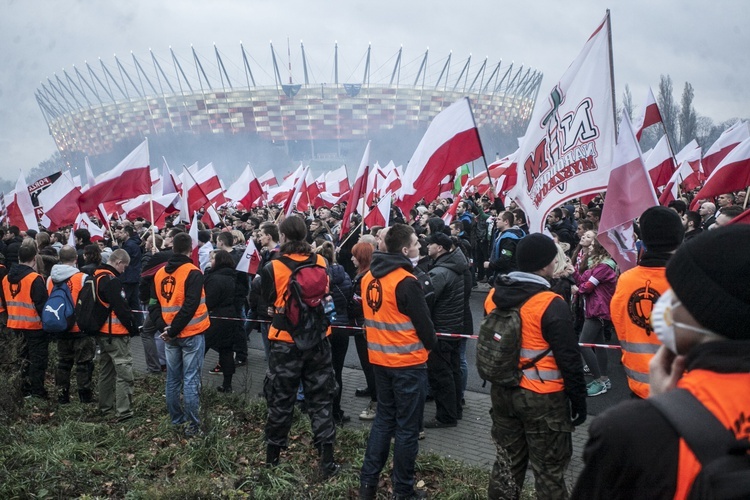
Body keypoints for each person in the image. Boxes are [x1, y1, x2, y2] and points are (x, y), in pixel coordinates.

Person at [572, 225, 750, 499]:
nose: (667, 302)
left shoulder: (626, 431)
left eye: (678, 293)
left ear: (707, 309)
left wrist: (663, 415)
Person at [488, 233, 587, 500]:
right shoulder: (550, 303)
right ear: (546, 265)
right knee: (548, 473)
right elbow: (569, 358)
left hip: (502, 391)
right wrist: (578, 399)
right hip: (543, 399)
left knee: (507, 466)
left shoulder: (495, 295)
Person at [359, 223, 437, 500]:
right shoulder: (406, 281)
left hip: (380, 361)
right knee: (407, 429)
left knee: (383, 421)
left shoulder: (368, 277)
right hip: (408, 364)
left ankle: (367, 485)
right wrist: (430, 346)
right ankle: (403, 491)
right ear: (405, 250)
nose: (420, 246)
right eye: (416, 243)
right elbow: (426, 328)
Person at [260, 215, 339, 477]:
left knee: (281, 400)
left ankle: (273, 461)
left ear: (282, 237)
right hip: (319, 340)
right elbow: (326, 295)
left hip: (285, 343)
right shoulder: (321, 261)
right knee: (321, 399)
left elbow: (266, 301)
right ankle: (326, 461)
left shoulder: (273, 267)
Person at [611, 207, 684, 399]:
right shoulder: (688, 280)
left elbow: (619, 324)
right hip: (680, 392)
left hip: (638, 388)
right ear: (679, 237)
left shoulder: (626, 280)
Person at [151, 232, 210, 436]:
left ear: (172, 247)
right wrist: (172, 330)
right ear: (189, 249)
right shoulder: (193, 272)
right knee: (191, 380)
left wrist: (164, 328)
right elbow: (191, 305)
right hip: (190, 333)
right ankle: (193, 428)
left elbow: (153, 305)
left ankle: (177, 421)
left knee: (173, 380)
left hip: (170, 335)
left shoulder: (159, 273)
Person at [423, 231, 467, 428]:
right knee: (453, 370)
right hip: (453, 326)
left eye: (430, 244)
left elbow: (425, 299)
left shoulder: (440, 273)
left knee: (441, 374)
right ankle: (455, 409)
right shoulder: (453, 266)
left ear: (439, 248)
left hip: (441, 329)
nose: (427, 247)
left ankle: (446, 416)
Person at [1, 242, 49, 399]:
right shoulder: (35, 279)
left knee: (22, 359)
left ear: (18, 258)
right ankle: (37, 391)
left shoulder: (6, 278)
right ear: (34, 259)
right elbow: (41, 305)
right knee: (37, 360)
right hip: (34, 326)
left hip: (15, 325)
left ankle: (23, 389)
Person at [96, 249, 140, 421]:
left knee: (106, 372)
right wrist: (133, 327)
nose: (125, 270)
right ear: (118, 261)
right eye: (125, 266)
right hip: (115, 333)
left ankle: (105, 407)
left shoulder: (95, 277)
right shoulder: (112, 281)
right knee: (124, 373)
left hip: (102, 332)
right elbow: (121, 308)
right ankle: (124, 412)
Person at [48, 245, 95, 404]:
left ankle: (62, 396)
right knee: (83, 364)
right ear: (76, 259)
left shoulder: (50, 279)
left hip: (60, 326)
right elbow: (89, 303)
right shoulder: (82, 278)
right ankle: (84, 397)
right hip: (80, 328)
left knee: (63, 363)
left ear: (59, 259)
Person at [573, 231, 617, 397]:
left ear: (599, 248)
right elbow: (582, 282)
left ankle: (599, 380)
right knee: (598, 345)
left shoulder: (604, 267)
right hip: (593, 309)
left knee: (583, 344)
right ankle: (603, 378)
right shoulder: (595, 264)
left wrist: (577, 289)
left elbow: (585, 287)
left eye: (592, 244)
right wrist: (573, 271)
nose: (589, 246)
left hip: (598, 310)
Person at [316, 241, 353, 425]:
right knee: (337, 371)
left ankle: (323, 411)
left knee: (323, 371)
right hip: (342, 327)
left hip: (326, 328)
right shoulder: (345, 276)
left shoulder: (320, 277)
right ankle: (336, 412)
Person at [203, 249, 241, 393]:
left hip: (215, 317)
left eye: (212, 259)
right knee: (226, 351)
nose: (210, 262)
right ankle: (227, 384)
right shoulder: (232, 276)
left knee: (201, 348)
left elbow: (209, 300)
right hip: (229, 316)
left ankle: (191, 380)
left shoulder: (214, 278)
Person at [349, 241, 377, 420]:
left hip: (363, 327)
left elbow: (357, 306)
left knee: (370, 366)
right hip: (363, 326)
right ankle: (371, 390)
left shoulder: (365, 278)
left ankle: (375, 402)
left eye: (354, 255)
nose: (351, 259)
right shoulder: (363, 275)